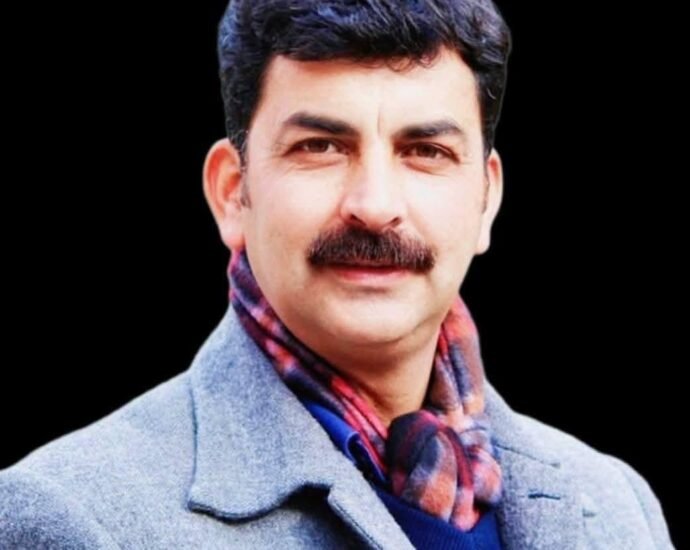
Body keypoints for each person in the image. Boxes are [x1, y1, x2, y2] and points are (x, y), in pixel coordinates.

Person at [0, 1, 674, 548]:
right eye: (320, 146)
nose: (374, 206)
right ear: (233, 193)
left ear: (486, 201)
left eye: (425, 150)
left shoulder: (616, 505)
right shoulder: (70, 516)